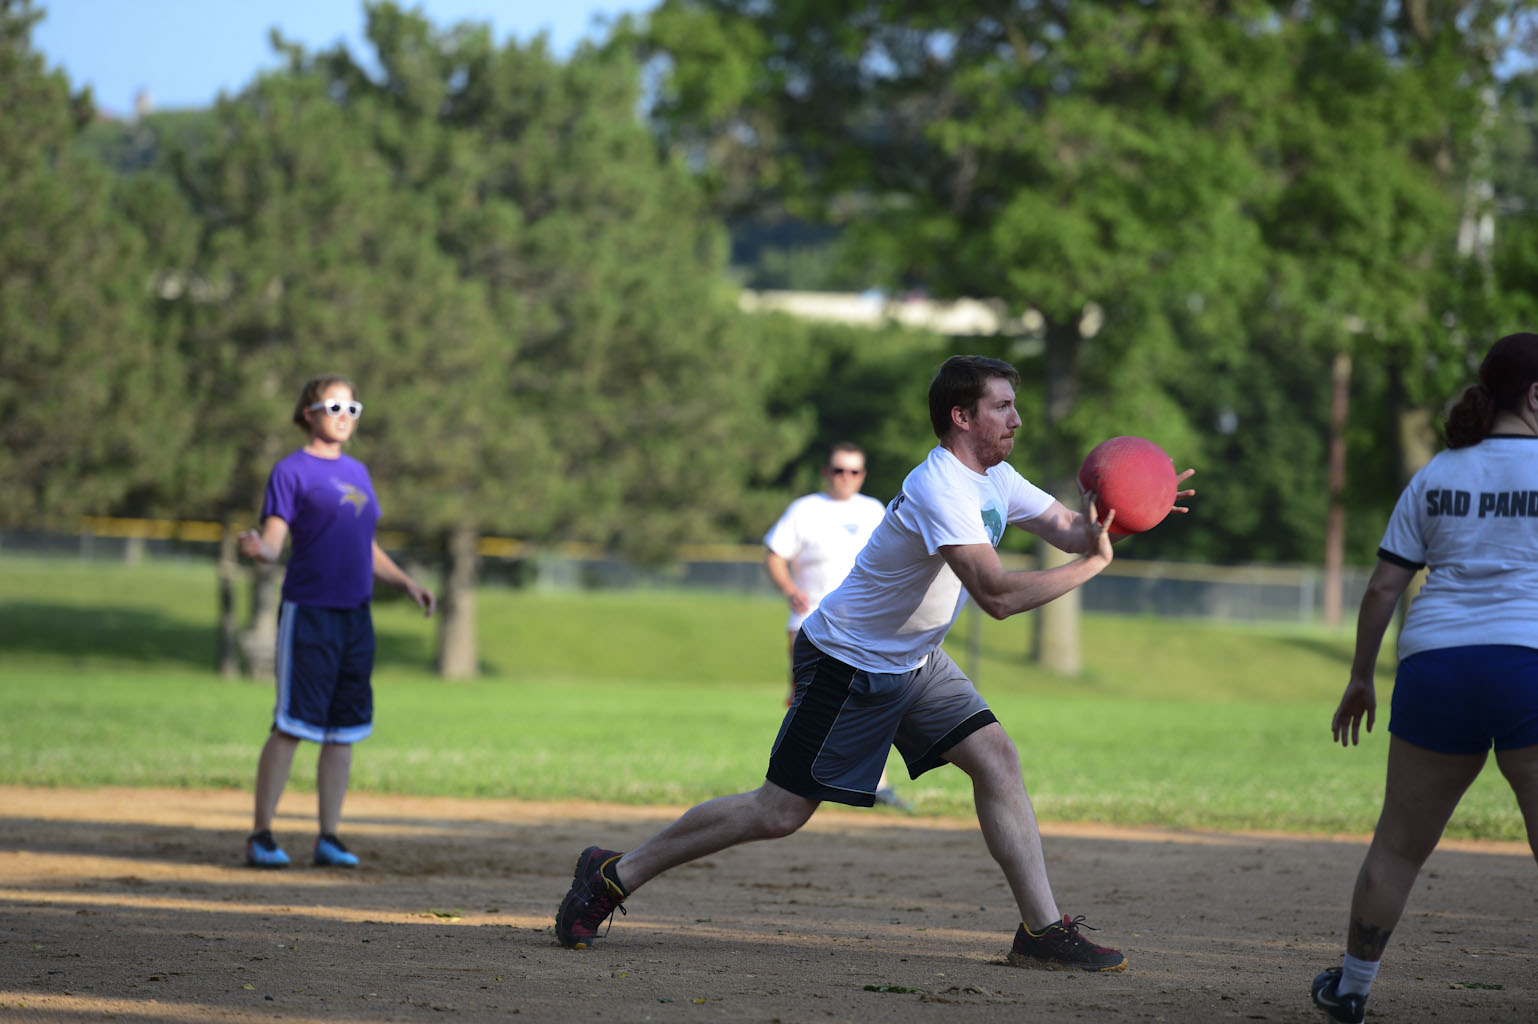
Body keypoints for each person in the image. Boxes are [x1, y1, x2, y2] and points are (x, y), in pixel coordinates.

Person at [555, 354, 1195, 969]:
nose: (1016, 419)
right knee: (779, 811)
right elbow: (997, 596)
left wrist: (1133, 509)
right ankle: (614, 875)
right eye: (1002, 406)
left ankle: (1042, 931)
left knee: (996, 757)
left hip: (914, 662)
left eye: (1016, 405)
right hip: (848, 661)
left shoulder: (994, 477)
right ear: (961, 416)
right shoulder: (940, 486)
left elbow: (1071, 529)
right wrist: (1093, 565)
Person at [1309, 332, 1538, 1023]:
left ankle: (1350, 989)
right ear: (1535, 396)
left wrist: (1359, 678)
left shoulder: (1439, 472)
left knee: (1400, 845)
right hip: (1528, 665)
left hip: (1436, 666)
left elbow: (1384, 588)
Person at [238, 375, 435, 869]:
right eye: (334, 407)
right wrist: (258, 550)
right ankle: (261, 835)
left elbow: (363, 545)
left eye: (353, 408)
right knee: (292, 724)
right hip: (310, 613)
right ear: (308, 412)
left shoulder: (359, 473)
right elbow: (274, 543)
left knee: (342, 730)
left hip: (355, 617)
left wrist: (405, 581)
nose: (344, 416)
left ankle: (329, 836)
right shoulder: (292, 471)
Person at [763, 442, 906, 808]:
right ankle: (793, 782)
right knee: (808, 704)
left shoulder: (874, 510)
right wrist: (789, 588)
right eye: (840, 470)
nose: (847, 478)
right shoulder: (806, 509)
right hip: (810, 625)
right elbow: (775, 554)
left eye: (854, 471)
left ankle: (879, 784)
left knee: (877, 698)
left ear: (863, 476)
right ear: (827, 472)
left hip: (865, 626)